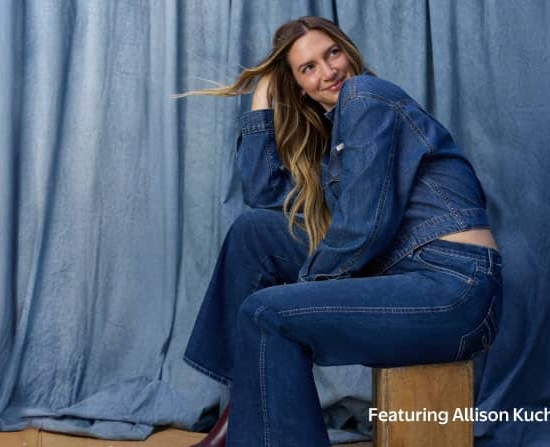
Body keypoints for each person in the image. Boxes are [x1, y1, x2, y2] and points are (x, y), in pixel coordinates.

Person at [180, 16, 503, 447]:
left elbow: (365, 228)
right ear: (296, 86)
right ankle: (241, 409)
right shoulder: (337, 135)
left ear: (348, 50)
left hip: (454, 287)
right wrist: (262, 97)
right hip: (408, 273)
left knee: (266, 313)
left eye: (332, 53)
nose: (328, 70)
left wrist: (304, 289)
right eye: (307, 67)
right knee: (255, 231)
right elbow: (262, 194)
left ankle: (253, 424)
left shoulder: (366, 95)